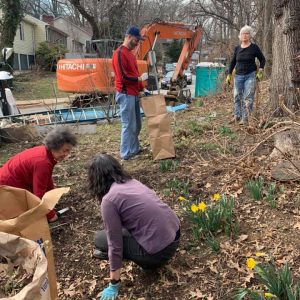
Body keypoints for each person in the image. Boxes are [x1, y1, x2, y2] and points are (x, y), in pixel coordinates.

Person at [88, 154, 180, 300]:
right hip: (174, 236)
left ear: (96, 179)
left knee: (100, 238)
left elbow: (115, 244)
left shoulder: (109, 200)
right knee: (117, 231)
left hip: (157, 254)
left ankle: (147, 262)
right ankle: (145, 257)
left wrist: (114, 283)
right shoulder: (132, 182)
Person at [0, 126, 77, 222]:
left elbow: (46, 179)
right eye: (65, 151)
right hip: (6, 187)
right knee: (24, 216)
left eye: (68, 151)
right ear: (55, 146)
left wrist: (52, 197)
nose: (67, 154)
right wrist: (50, 215)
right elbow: (38, 195)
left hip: (15, 181)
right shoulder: (42, 162)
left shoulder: (46, 153)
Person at [112, 26, 148, 161]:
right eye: (136, 39)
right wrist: (138, 80)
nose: (137, 42)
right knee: (128, 124)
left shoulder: (131, 55)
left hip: (134, 93)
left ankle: (134, 149)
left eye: (139, 40)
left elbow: (134, 73)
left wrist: (142, 88)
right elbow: (122, 77)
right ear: (128, 36)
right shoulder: (119, 53)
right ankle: (125, 154)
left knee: (137, 124)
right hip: (125, 94)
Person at [226, 25, 265, 125]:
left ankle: (245, 118)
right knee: (237, 96)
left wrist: (260, 70)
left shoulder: (254, 47)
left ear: (250, 35)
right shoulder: (237, 48)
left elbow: (262, 59)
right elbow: (233, 62)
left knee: (248, 98)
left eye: (247, 33)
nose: (245, 35)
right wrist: (229, 74)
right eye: (243, 33)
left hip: (250, 76)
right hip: (238, 76)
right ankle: (237, 116)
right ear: (240, 36)